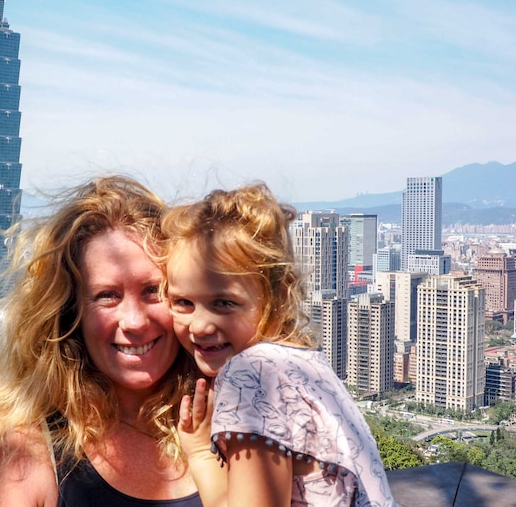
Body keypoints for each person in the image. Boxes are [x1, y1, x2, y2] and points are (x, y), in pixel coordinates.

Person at [0, 176, 202, 506]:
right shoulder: (26, 453)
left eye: (152, 291)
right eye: (107, 296)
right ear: (71, 312)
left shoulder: (230, 418)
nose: (134, 321)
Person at [158, 183, 395, 507]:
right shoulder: (306, 365)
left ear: (280, 297)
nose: (200, 325)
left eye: (225, 303)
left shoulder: (252, 375)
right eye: (183, 302)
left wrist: (200, 454)